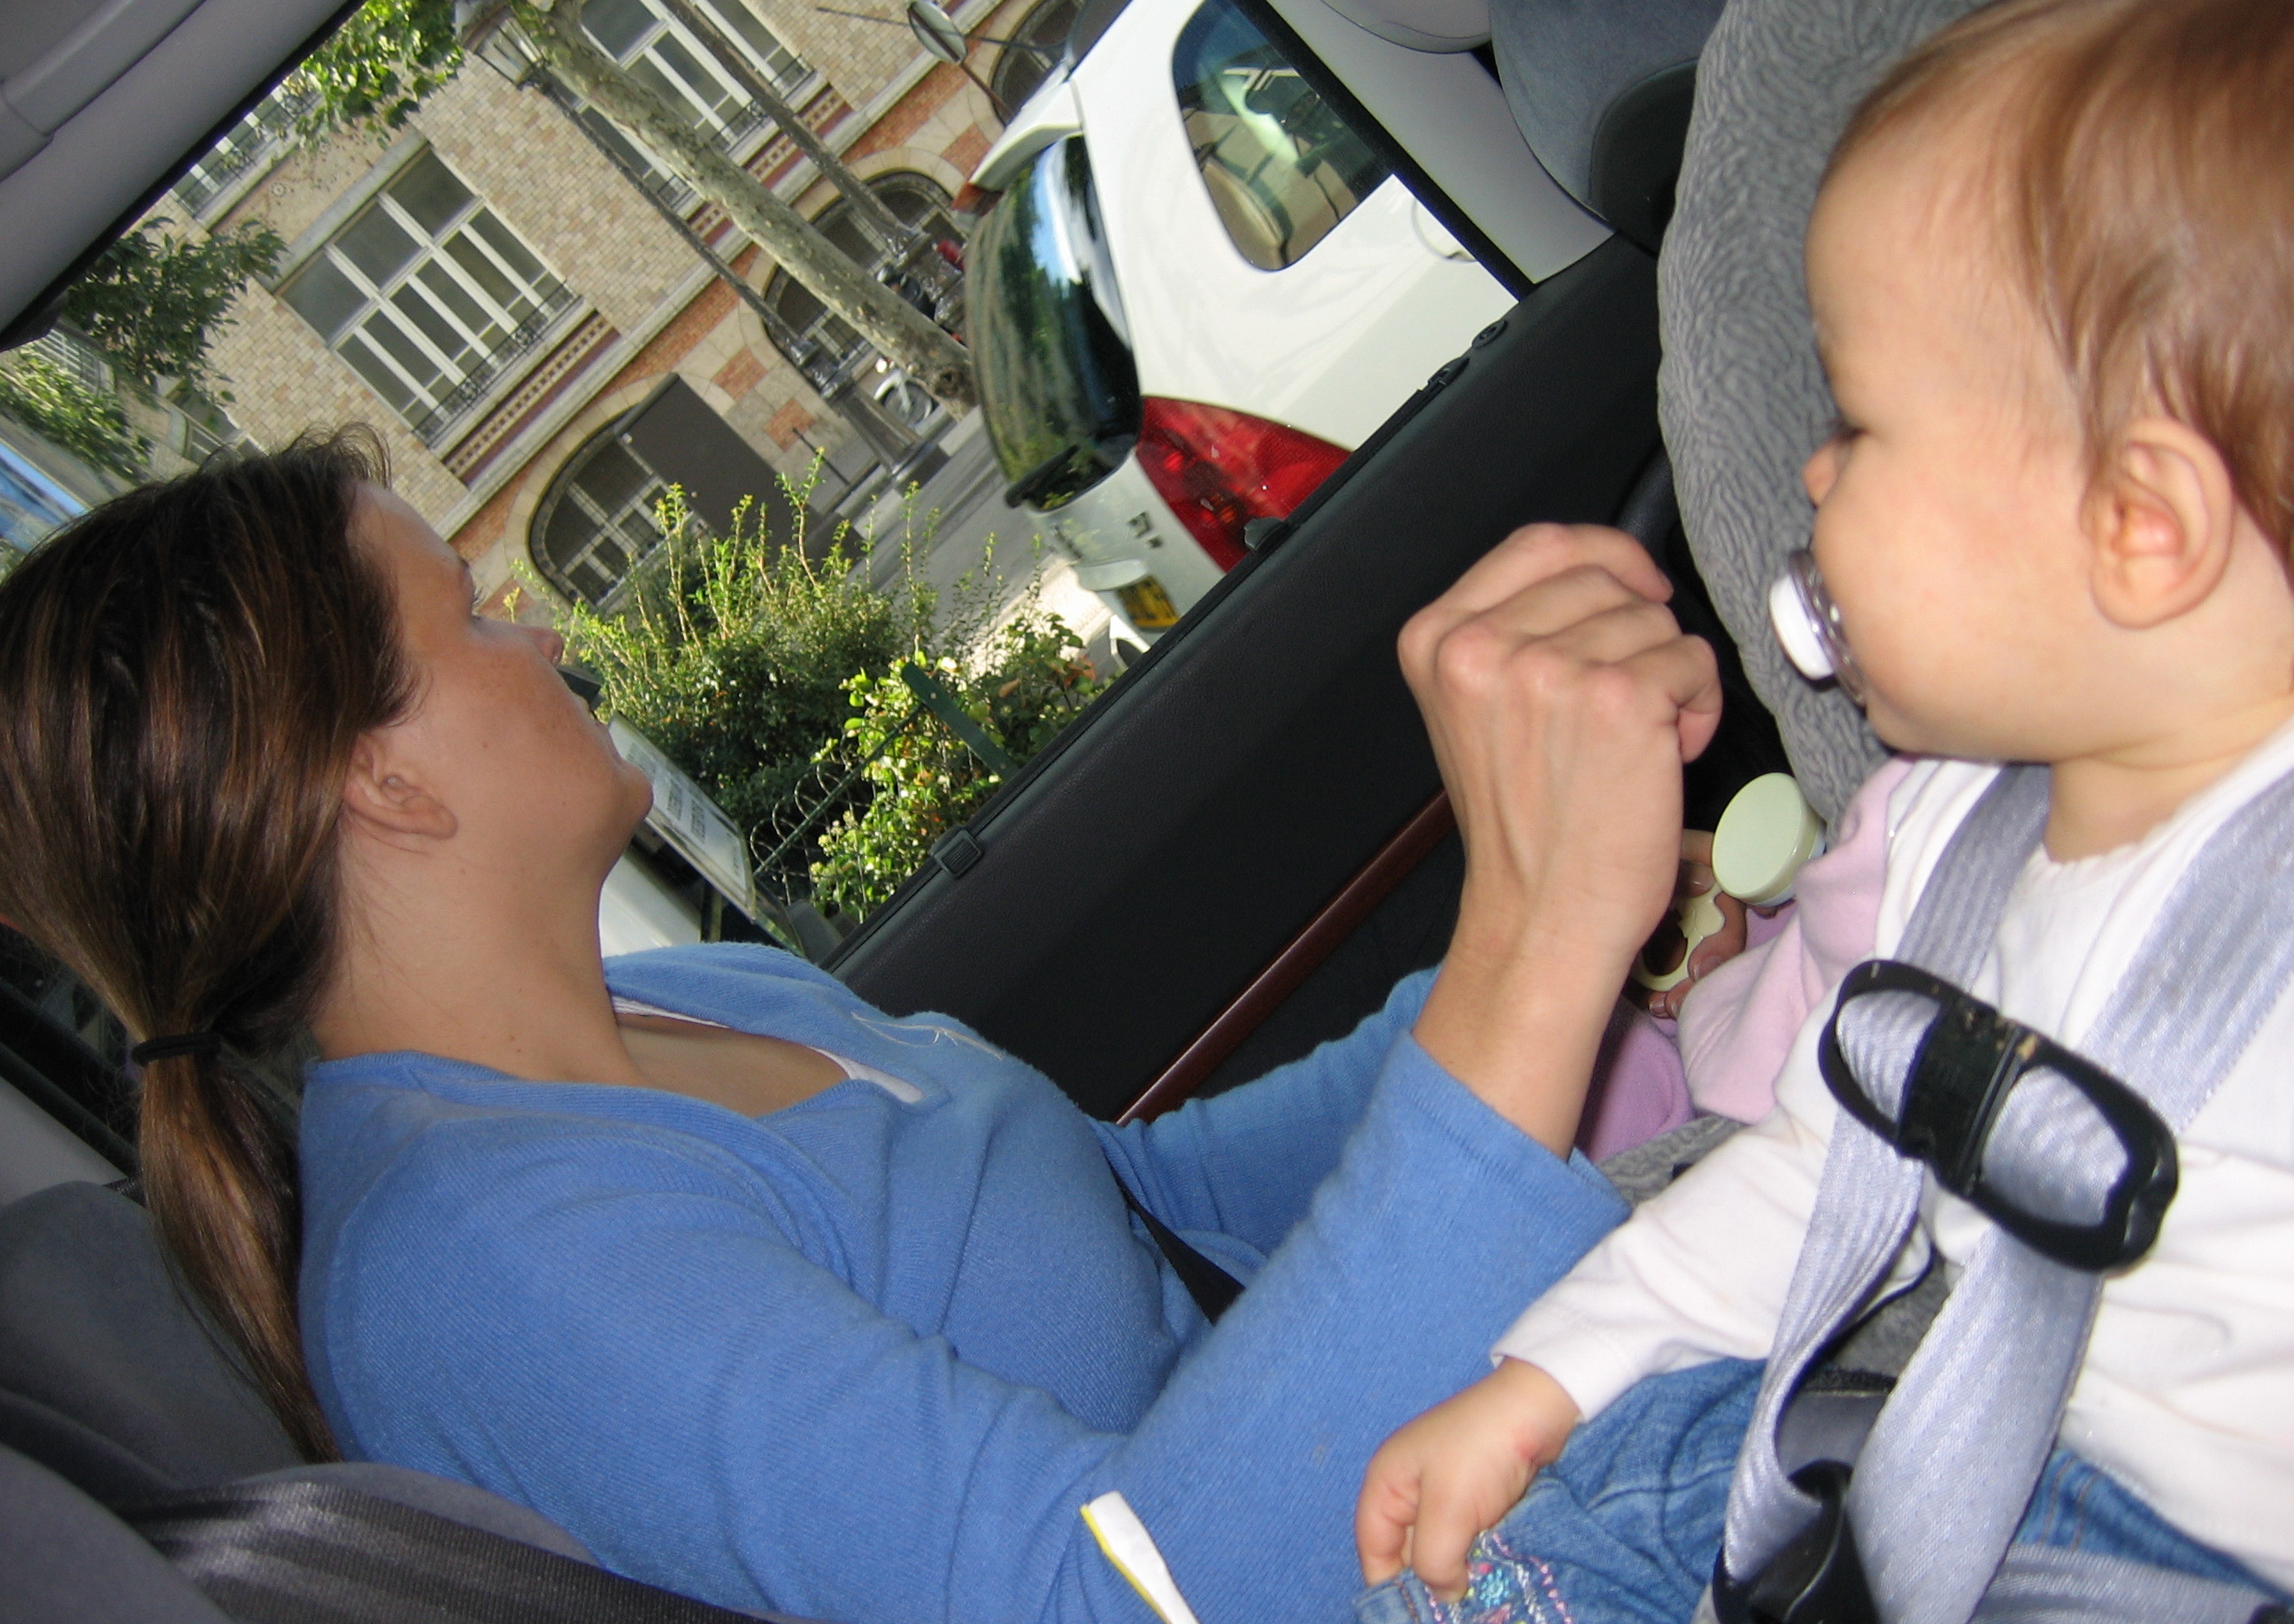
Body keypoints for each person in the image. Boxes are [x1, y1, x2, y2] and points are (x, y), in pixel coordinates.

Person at [0, 409, 1739, 1620]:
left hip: (1398, 1498)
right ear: (382, 782)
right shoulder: (483, 1270)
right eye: (469, 615)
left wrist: (1620, 977)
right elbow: (1117, 1598)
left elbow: (1151, 1212)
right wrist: (1530, 951)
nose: (534, 635)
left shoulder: (685, 999)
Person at [1355, 0, 2294, 1620]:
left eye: (1861, 427)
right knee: (1518, 1541)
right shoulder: (1952, 833)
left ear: (2138, 528)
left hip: (2193, 1548)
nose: (1810, 470)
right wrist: (1557, 1370)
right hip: (1953, 1454)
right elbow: (1825, 1171)